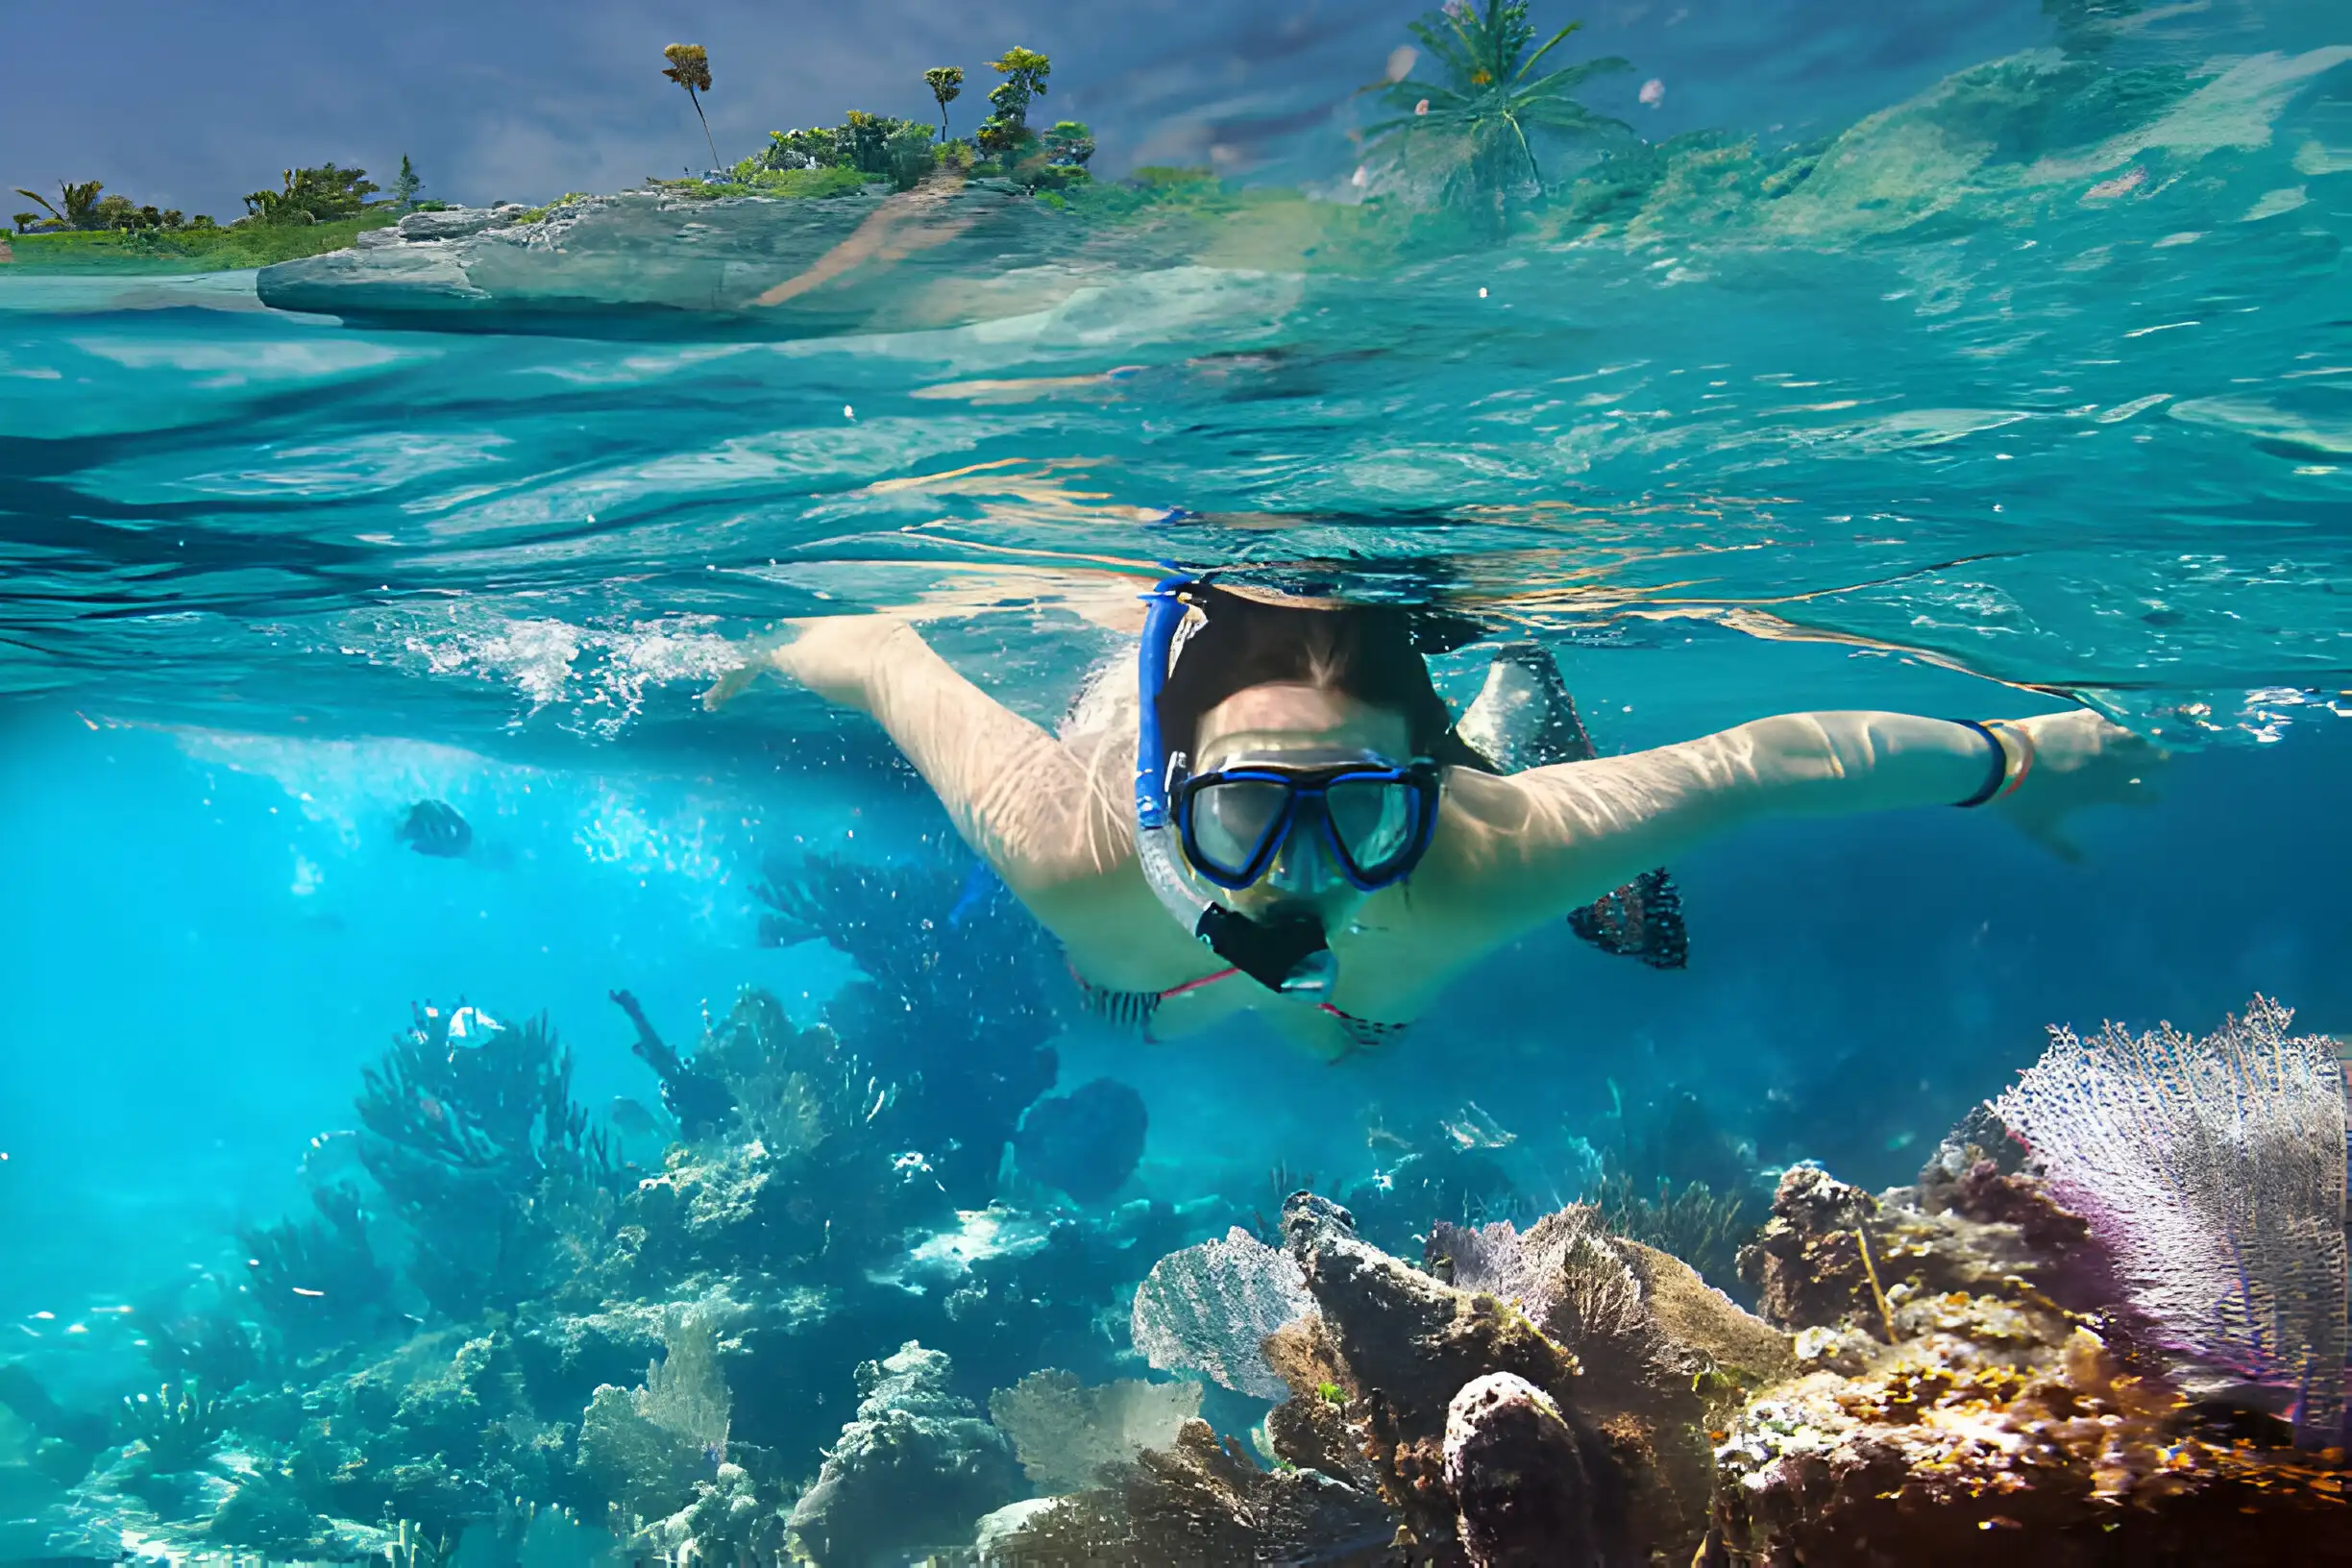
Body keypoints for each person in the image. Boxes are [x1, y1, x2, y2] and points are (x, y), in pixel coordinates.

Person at [709, 578, 2158, 1060]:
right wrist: (762, 655)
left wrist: (2017, 756)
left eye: (1356, 813)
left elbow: (1762, 761)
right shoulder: (1071, 848)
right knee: (1133, 999)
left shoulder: (1475, 855)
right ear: (1170, 797)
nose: (1298, 871)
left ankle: (1507, 710)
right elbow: (888, 650)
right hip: (1146, 948)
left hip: (1444, 809)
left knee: (1348, 1037)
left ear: (1426, 791)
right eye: (1250, 811)